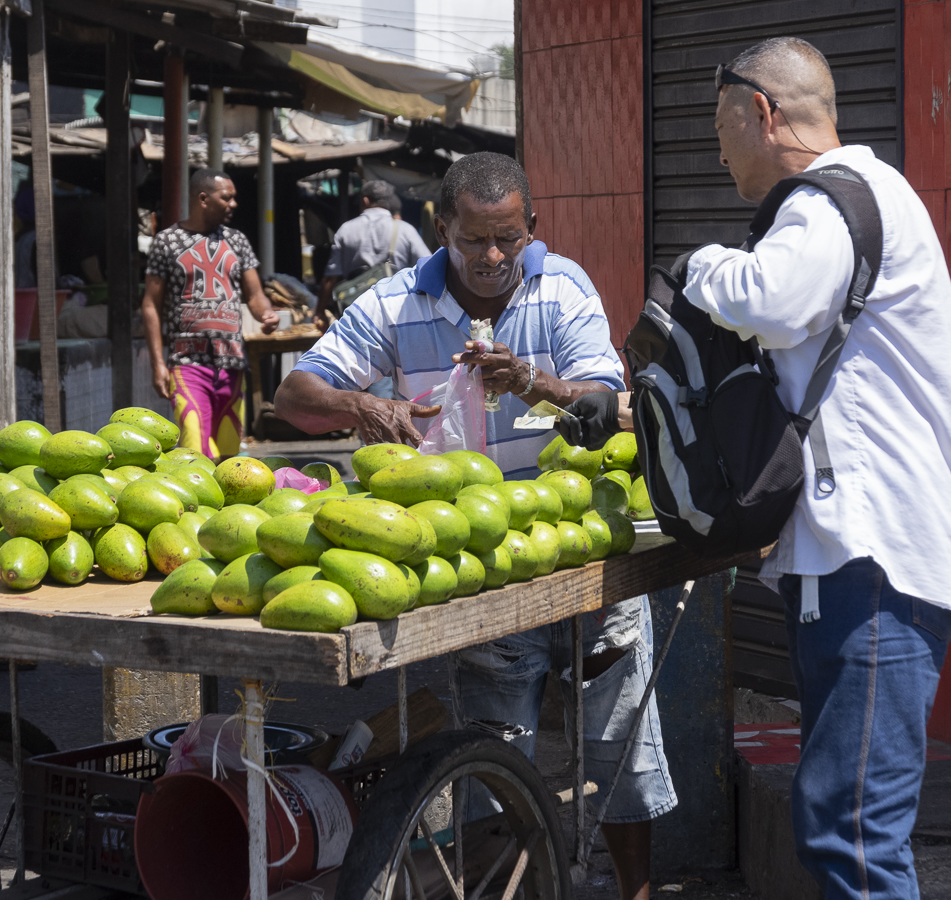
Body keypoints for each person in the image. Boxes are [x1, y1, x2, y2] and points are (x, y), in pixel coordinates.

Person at [276, 152, 674, 900]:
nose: (491, 258)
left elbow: (600, 398)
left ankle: (635, 891)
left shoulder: (562, 288)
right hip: (475, 568)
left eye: (508, 239)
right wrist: (368, 408)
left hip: (580, 548)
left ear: (532, 227)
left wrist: (532, 380)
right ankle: (503, 886)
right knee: (492, 755)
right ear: (441, 229)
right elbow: (294, 392)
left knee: (622, 744)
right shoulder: (394, 304)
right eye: (473, 241)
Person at [650, 37, 951, 900]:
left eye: (721, 129)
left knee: (852, 833)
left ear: (761, 113)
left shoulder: (829, 202)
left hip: (873, 560)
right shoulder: (864, 198)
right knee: (841, 821)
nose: (717, 153)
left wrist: (697, 265)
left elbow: (772, 299)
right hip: (850, 560)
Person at [140, 167, 279, 461]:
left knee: (229, 455)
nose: (234, 204)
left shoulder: (237, 241)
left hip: (232, 363)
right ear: (203, 198)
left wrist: (266, 314)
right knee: (194, 449)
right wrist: (157, 364)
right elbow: (150, 304)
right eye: (226, 198)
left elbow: (255, 295)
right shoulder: (167, 241)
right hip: (187, 362)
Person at [314, 180, 431, 331]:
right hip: (396, 312)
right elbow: (428, 266)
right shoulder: (405, 230)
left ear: (365, 200)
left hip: (356, 312)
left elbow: (331, 277)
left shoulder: (346, 230)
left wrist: (319, 311)